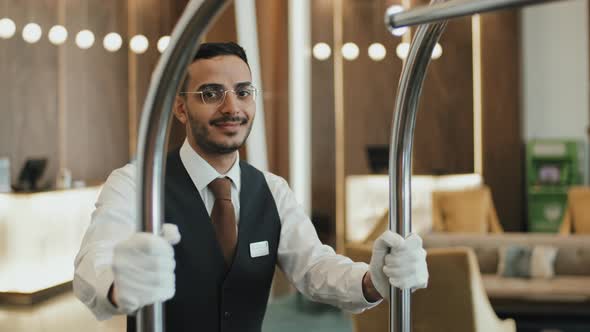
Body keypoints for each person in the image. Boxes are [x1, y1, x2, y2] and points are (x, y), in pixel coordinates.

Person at [73, 42, 428, 332]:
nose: (232, 107)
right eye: (211, 93)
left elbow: (315, 267)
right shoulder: (135, 183)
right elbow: (93, 261)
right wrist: (120, 284)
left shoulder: (273, 189)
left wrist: (373, 280)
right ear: (181, 108)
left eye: (243, 92)